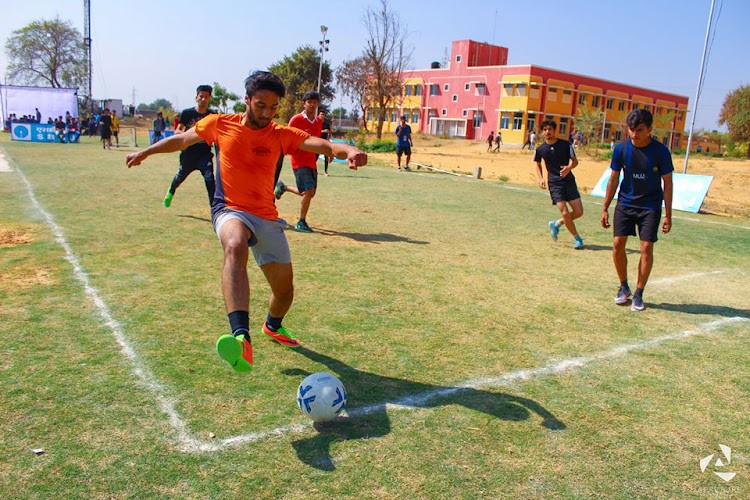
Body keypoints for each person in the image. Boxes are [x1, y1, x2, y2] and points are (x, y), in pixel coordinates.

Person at [125, 70, 367, 373]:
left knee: (284, 292)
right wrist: (145, 152)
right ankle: (241, 338)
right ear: (247, 100)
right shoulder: (219, 124)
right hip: (229, 209)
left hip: (267, 217)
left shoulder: (279, 133)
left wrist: (351, 150)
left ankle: (272, 325)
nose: (267, 113)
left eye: (273, 107)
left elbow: (325, 146)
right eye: (261, 105)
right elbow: (181, 140)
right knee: (235, 246)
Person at [601, 108, 673, 311]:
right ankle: (623, 287)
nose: (634, 134)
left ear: (650, 129)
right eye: (631, 129)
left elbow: (668, 183)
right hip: (625, 203)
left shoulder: (661, 152)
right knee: (617, 244)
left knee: (646, 248)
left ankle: (639, 293)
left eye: (639, 130)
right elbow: (614, 178)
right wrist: (605, 207)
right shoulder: (621, 149)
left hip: (650, 206)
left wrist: (668, 214)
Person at [274, 91, 323, 233]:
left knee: (309, 193)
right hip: (299, 160)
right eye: (310, 102)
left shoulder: (319, 122)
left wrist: (328, 154)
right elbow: (287, 137)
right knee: (308, 191)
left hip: (312, 160)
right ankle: (301, 221)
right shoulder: (296, 120)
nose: (313, 105)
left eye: (315, 102)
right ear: (304, 103)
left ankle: (284, 188)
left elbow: (318, 141)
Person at [533, 119, 584, 249]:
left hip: (569, 181)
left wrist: (569, 168)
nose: (547, 132)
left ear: (555, 131)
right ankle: (577, 239)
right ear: (542, 132)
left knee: (578, 212)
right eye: (545, 130)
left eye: (550, 129)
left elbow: (575, 162)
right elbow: (537, 165)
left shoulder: (566, 145)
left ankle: (556, 224)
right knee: (566, 213)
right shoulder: (540, 149)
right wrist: (540, 178)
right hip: (555, 184)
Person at [163, 84, 217, 208]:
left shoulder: (213, 115)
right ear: (196, 97)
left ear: (209, 98)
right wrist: (185, 137)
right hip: (189, 153)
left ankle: (214, 208)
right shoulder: (187, 113)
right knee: (180, 177)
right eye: (201, 96)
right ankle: (171, 191)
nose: (203, 99)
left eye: (206, 97)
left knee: (210, 179)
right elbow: (179, 129)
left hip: (205, 154)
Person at [318, 110, 333, 176]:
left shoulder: (326, 124)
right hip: (317, 142)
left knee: (326, 157)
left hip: (325, 142)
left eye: (323, 115)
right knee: (315, 156)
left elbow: (329, 133)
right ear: (319, 115)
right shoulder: (316, 123)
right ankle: (313, 170)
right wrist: (323, 131)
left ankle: (325, 171)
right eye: (321, 114)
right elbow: (315, 132)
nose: (322, 116)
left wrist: (328, 139)